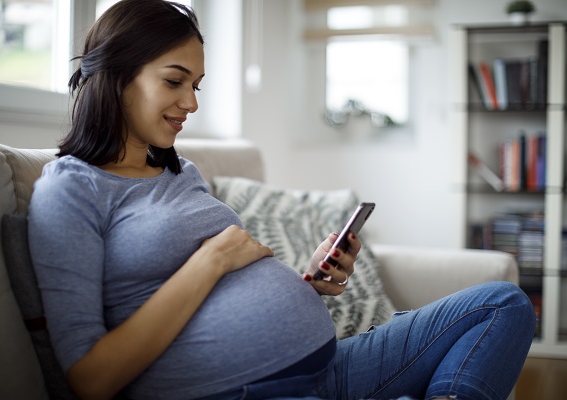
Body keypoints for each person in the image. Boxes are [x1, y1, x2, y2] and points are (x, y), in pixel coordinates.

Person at [27, 1, 536, 399]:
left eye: (197, 85)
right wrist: (211, 260)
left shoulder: (180, 171)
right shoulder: (70, 189)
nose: (192, 103)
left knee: (502, 303)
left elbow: (228, 297)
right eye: (174, 81)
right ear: (116, 77)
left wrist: (306, 284)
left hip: (327, 368)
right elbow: (91, 380)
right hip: (236, 391)